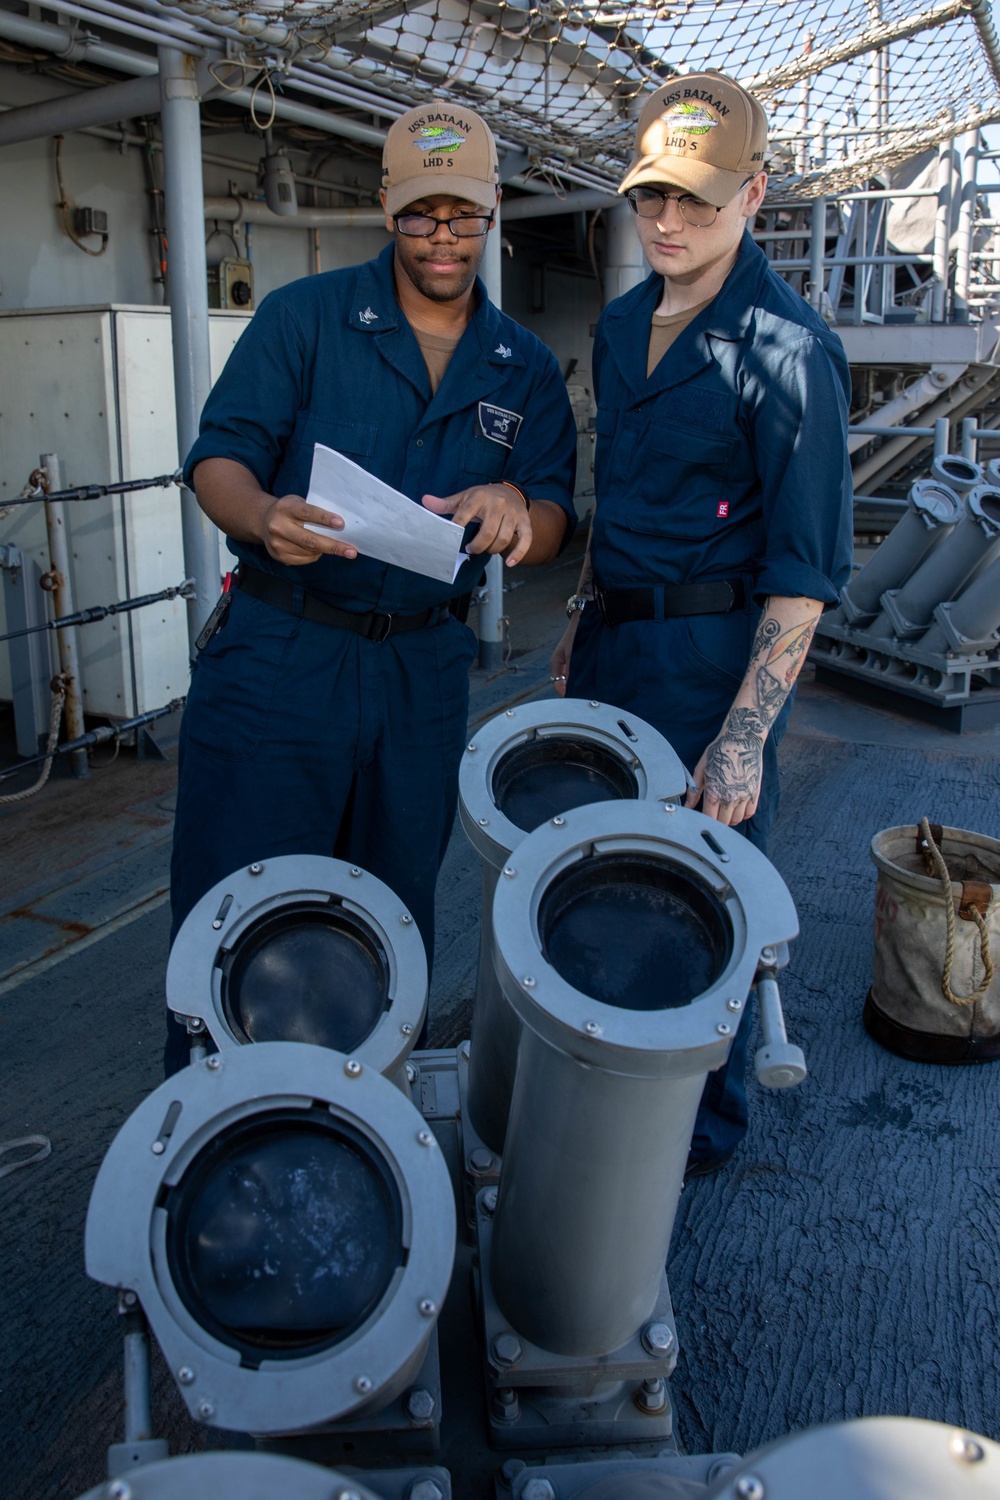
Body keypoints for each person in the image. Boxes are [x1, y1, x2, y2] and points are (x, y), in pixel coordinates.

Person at [168, 101, 577, 1073]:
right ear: (386, 203)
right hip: (281, 653)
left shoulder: (520, 368)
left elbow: (557, 513)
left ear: (492, 214)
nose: (445, 239)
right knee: (240, 911)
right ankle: (207, 1152)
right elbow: (217, 460)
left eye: (466, 216)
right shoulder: (303, 319)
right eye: (423, 213)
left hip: (421, 674)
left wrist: (520, 505)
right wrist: (260, 514)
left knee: (386, 913)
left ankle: (363, 1136)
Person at [550, 72, 853, 1175]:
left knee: (697, 893)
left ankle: (696, 1128)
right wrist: (579, 614)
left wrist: (742, 734)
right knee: (598, 874)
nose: (668, 222)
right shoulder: (625, 322)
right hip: (613, 648)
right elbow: (614, 488)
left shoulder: (789, 350)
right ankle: (606, 1076)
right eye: (651, 198)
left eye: (697, 200)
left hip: (707, 666)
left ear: (755, 194)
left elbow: (804, 571)